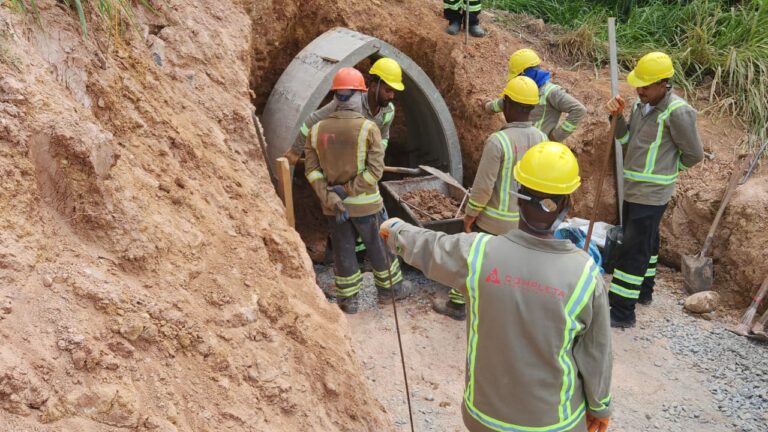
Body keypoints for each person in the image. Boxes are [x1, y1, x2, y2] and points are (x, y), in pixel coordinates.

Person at [380, 141, 613, 432]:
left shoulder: (477, 254)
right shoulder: (584, 274)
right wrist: (600, 406)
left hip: (484, 417)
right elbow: (596, 352)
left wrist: (396, 231)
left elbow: (431, 247)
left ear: (517, 198)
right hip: (554, 424)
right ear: (566, 204)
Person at [434, 76, 547, 321]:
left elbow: (483, 186)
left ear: (507, 104)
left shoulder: (499, 141)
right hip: (524, 220)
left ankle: (457, 305)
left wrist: (470, 215)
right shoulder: (541, 139)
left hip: (494, 221)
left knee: (471, 259)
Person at [606, 51, 704, 328]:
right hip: (634, 188)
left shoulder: (677, 111)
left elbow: (694, 155)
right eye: (639, 85)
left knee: (633, 250)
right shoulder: (640, 106)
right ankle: (644, 291)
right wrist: (616, 117)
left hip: (652, 194)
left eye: (646, 86)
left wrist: (666, 170)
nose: (640, 90)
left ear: (664, 83)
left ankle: (622, 312)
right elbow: (626, 140)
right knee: (647, 242)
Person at [304, 67, 408, 314]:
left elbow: (312, 171)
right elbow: (375, 171)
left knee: (344, 250)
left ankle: (349, 301)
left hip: (334, 208)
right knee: (379, 247)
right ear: (361, 93)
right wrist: (349, 190)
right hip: (367, 204)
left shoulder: (317, 130)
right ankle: (390, 291)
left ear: (335, 96)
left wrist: (330, 196)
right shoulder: (367, 128)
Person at [284, 57, 405, 165]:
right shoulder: (349, 103)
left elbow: (383, 137)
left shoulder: (388, 111)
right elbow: (311, 121)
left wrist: (376, 155)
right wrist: (295, 150)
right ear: (374, 86)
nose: (392, 96)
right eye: (388, 91)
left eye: (394, 92)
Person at [484, 49, 586, 142]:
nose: (517, 80)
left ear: (524, 73)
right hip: (519, 142)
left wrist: (556, 136)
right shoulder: (523, 87)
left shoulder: (551, 92)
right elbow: (507, 102)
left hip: (539, 148)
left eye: (517, 76)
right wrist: (489, 106)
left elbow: (579, 110)